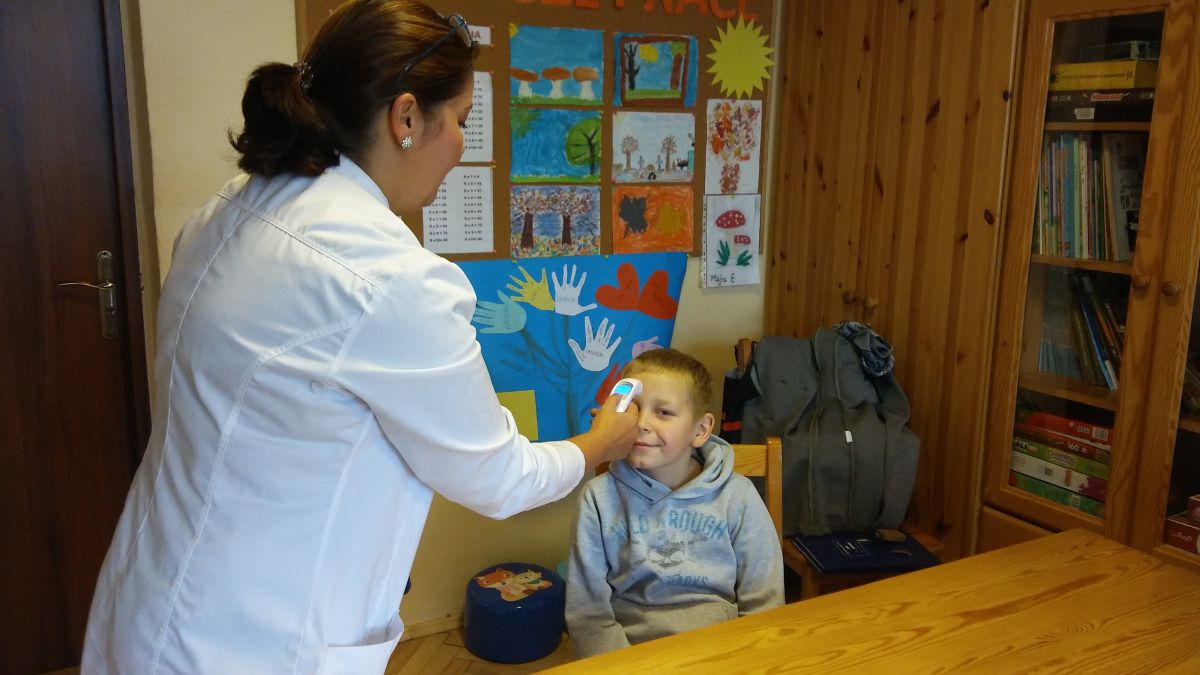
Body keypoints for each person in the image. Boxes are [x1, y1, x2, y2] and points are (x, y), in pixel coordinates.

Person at [81, 2, 639, 673]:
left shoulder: (224, 209)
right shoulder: (388, 278)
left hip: (153, 599)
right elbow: (497, 478)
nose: (462, 145)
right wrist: (599, 442)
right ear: (406, 118)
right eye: (462, 120)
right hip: (249, 643)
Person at [564, 348, 785, 658]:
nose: (641, 423)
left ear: (701, 430)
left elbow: (764, 602)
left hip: (724, 650)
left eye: (664, 412)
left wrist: (746, 656)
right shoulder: (598, 498)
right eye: (632, 408)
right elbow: (588, 614)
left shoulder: (738, 496)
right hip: (630, 656)